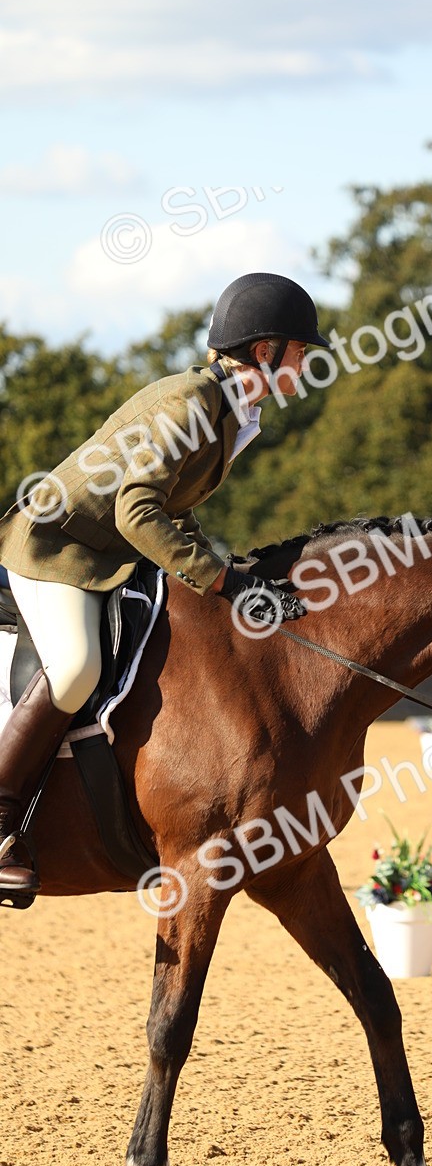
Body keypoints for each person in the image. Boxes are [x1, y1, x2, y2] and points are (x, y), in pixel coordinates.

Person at [0, 272, 329, 899]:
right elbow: (136, 510)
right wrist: (221, 579)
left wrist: (226, 567)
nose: (305, 363)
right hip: (56, 548)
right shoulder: (191, 405)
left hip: (107, 557)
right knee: (75, 668)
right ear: (266, 352)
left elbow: (176, 511)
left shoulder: (232, 412)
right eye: (301, 351)